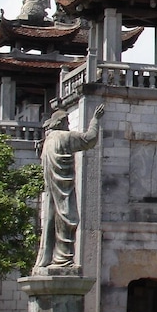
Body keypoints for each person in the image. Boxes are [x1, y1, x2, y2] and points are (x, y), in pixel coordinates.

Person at [33, 104, 105, 270]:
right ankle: (62, 260)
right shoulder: (63, 137)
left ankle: (48, 259)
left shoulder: (48, 142)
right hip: (63, 191)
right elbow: (89, 139)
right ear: (61, 122)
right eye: (66, 121)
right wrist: (95, 119)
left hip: (51, 191)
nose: (69, 125)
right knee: (66, 221)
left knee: (51, 222)